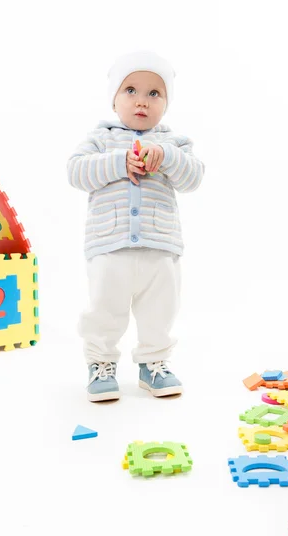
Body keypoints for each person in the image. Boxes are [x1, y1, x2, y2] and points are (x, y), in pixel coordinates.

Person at [67, 50, 205, 402]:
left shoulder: (173, 143)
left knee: (160, 310)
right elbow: (76, 172)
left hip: (160, 248)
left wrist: (168, 157)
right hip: (109, 247)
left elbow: (193, 178)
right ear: (114, 100)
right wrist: (118, 162)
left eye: (154, 93)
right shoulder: (101, 140)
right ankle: (100, 363)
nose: (141, 101)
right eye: (130, 90)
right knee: (104, 310)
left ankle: (154, 363)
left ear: (166, 103)